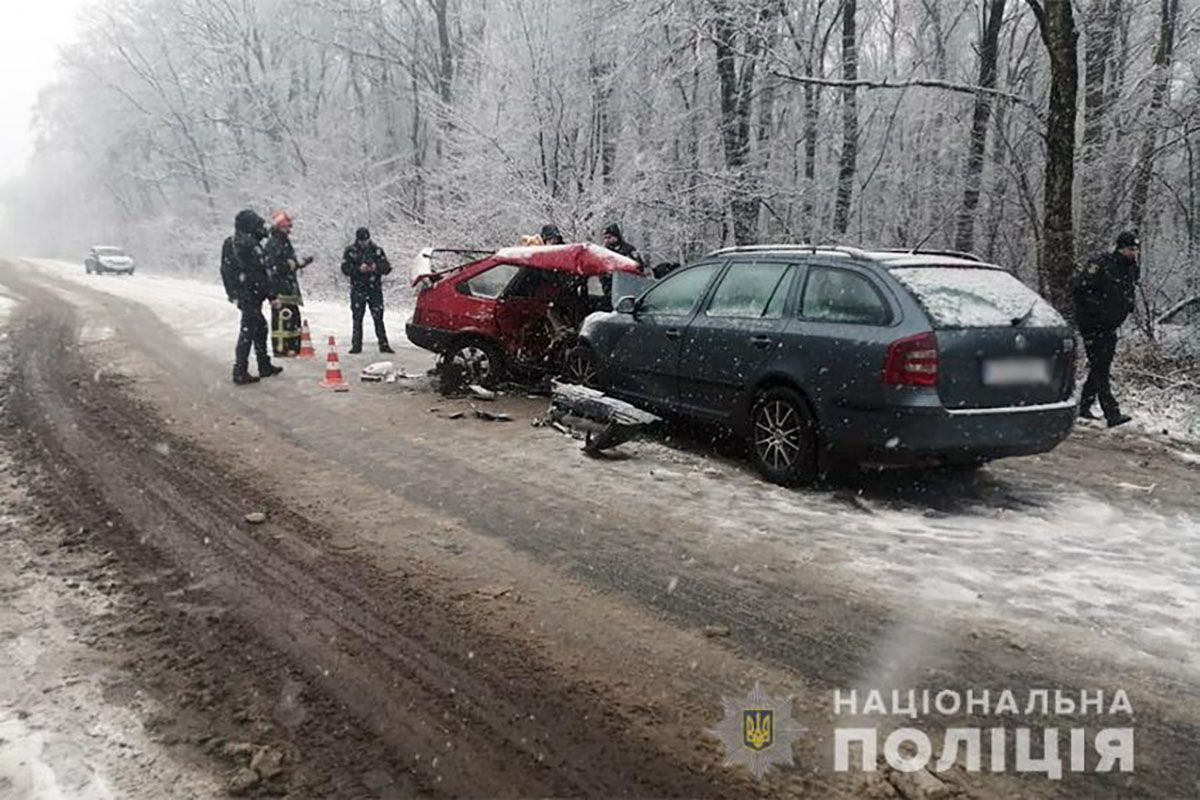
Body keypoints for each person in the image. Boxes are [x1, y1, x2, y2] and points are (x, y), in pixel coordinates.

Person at [1072, 230, 1140, 427]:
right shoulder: (1101, 264)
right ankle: (1111, 413)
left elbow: (1128, 291)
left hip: (1111, 325)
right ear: (1119, 248)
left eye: (1135, 250)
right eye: (1129, 249)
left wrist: (1128, 306)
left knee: (1102, 364)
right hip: (1092, 324)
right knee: (1101, 367)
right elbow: (1081, 290)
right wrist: (1097, 312)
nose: (1133, 253)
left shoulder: (1130, 268)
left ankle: (1084, 406)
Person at [222, 209, 283, 385]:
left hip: (243, 294)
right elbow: (261, 274)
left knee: (258, 327)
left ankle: (261, 364)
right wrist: (272, 296)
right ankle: (241, 370)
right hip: (251, 294)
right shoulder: (251, 245)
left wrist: (232, 293)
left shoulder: (230, 242)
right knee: (249, 331)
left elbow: (225, 270)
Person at [263, 210, 313, 357]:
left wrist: (299, 264)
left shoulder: (282, 242)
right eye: (286, 227)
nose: (289, 230)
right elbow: (276, 267)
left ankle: (294, 346)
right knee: (283, 320)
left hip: (288, 288)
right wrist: (296, 263)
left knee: (292, 319)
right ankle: (282, 348)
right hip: (280, 289)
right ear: (279, 227)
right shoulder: (274, 244)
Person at [341, 227, 394, 354]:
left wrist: (376, 267)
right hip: (358, 288)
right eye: (361, 241)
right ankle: (356, 345)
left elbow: (387, 267)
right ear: (357, 240)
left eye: (365, 240)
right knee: (357, 317)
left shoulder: (377, 250)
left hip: (374, 289)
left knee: (378, 317)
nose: (363, 243)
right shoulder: (350, 251)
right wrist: (359, 269)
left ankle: (383, 344)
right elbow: (345, 269)